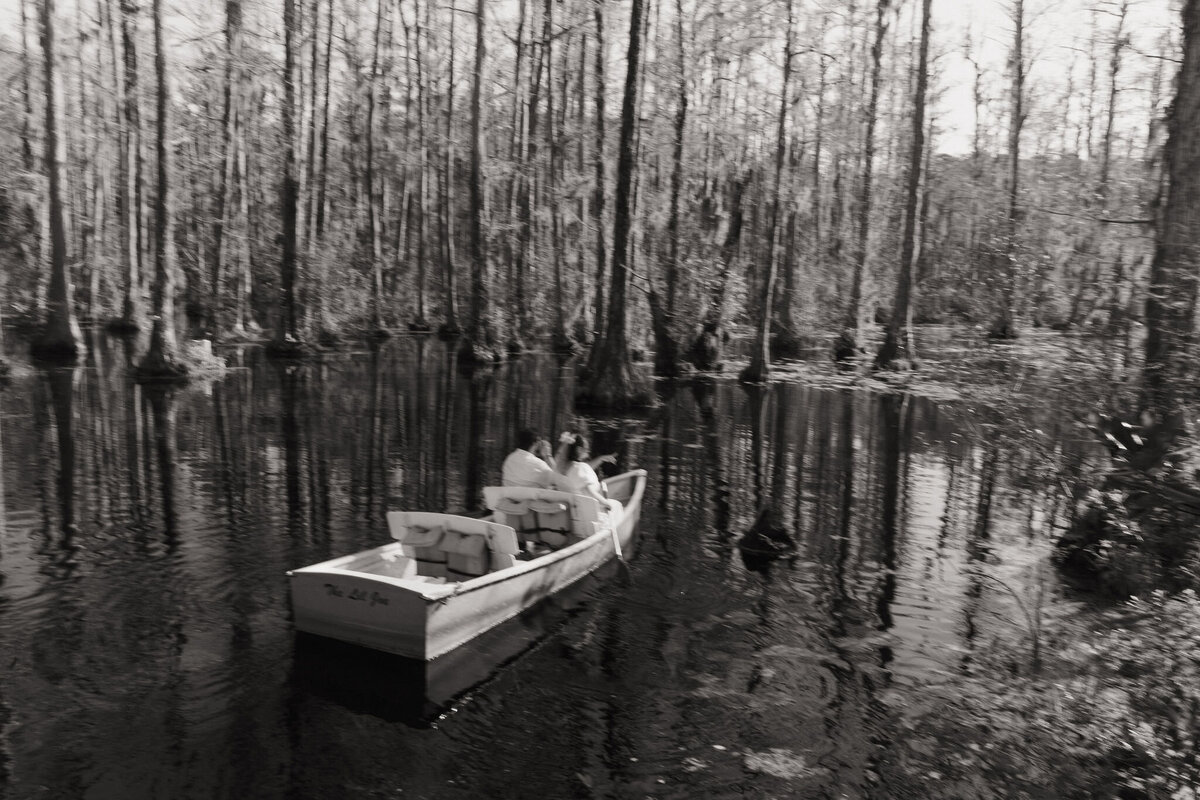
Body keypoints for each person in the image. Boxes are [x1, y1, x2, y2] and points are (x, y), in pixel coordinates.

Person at [555, 432, 621, 519]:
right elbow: (591, 493)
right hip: (587, 514)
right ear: (579, 449)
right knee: (617, 505)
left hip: (568, 514)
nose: (588, 452)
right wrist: (606, 503)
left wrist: (601, 458)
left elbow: (580, 471)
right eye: (586, 449)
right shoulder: (581, 468)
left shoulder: (559, 468)